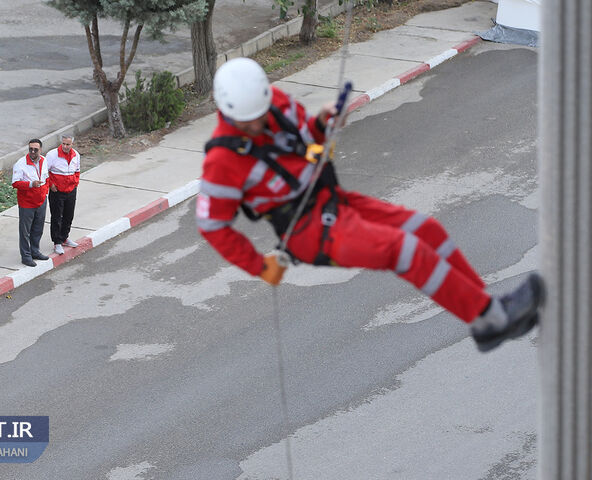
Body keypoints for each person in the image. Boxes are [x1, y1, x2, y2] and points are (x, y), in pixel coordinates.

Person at [196, 57, 544, 353]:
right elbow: (212, 226)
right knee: (405, 249)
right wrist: (257, 266)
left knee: (426, 229)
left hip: (331, 200)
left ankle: (486, 315)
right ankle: (494, 317)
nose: (257, 124)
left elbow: (307, 140)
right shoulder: (222, 160)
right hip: (308, 231)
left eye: (260, 113)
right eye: (248, 122)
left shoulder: (277, 103)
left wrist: (325, 122)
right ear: (224, 109)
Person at [12, 139, 49, 267]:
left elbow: (47, 178)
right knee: (25, 231)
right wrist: (30, 184)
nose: (32, 152)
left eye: (35, 149)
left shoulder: (44, 161)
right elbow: (15, 183)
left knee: (38, 229)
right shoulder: (21, 164)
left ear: (41, 150)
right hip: (27, 203)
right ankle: (26, 256)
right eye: (30, 149)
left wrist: (45, 192)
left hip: (41, 201)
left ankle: (35, 251)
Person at [46, 134, 81, 255]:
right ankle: (57, 242)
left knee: (68, 215)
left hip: (71, 190)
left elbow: (77, 171)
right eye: (64, 144)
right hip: (57, 192)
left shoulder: (76, 155)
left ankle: (64, 237)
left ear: (72, 144)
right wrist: (51, 185)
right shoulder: (52, 155)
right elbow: (46, 172)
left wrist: (75, 183)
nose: (65, 146)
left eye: (68, 144)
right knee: (56, 217)